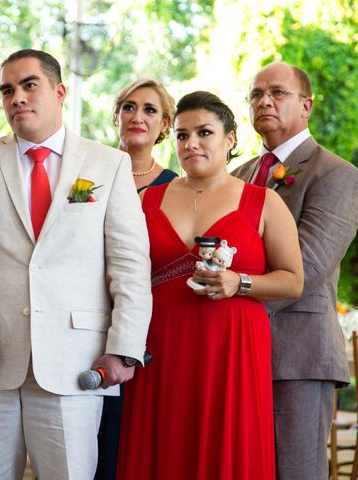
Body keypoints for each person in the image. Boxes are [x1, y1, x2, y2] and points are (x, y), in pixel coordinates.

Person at [0, 49, 152, 480]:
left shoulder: (110, 163)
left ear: (60, 91)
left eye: (29, 85)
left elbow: (130, 266)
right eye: (8, 90)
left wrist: (124, 347)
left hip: (76, 362)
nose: (18, 98)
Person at [118, 91, 304, 479]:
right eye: (183, 135)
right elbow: (120, 274)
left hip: (232, 348)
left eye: (204, 132)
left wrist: (241, 282)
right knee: (164, 447)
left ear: (230, 139)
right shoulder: (146, 200)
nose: (192, 144)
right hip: (161, 346)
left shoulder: (264, 201)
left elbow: (293, 281)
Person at [232, 62, 358, 480]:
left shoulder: (337, 174)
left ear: (306, 106)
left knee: (295, 472)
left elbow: (308, 265)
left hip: (296, 355)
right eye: (256, 94)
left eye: (278, 93)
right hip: (234, 352)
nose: (264, 101)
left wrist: (232, 293)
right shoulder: (237, 176)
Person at [95, 77, 177, 480]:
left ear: (165, 124)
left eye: (150, 110)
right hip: (88, 316)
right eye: (128, 107)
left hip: (150, 326)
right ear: (116, 116)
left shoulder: (175, 187)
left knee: (133, 431)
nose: (137, 117)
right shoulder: (88, 173)